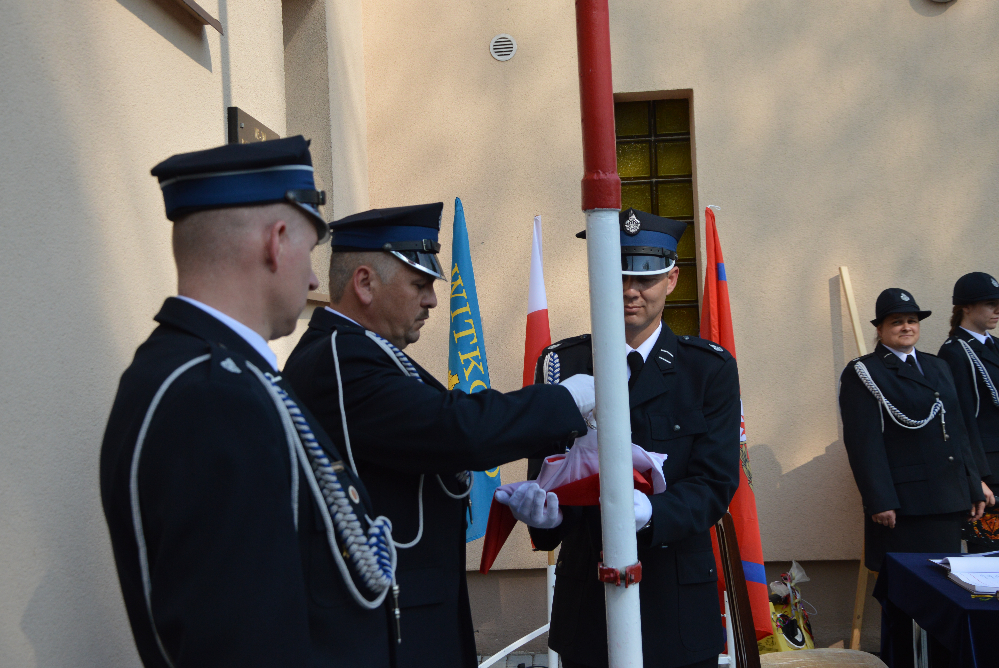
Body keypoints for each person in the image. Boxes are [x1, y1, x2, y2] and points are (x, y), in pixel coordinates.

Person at [100, 136, 399, 668]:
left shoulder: (218, 378)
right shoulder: (213, 397)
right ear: (276, 241)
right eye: (309, 254)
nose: (312, 278)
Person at [281, 203, 595, 668]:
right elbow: (454, 427)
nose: (431, 300)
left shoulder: (369, 353)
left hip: (409, 611)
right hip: (382, 622)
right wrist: (562, 401)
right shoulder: (338, 361)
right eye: (419, 283)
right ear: (364, 283)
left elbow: (419, 449)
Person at [514, 208, 741, 668]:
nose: (630, 291)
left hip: (673, 599)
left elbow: (715, 483)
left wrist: (653, 512)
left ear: (672, 279)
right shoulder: (564, 363)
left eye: (647, 278)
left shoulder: (707, 370)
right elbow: (549, 475)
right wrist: (541, 515)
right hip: (589, 601)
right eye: (617, 276)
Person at [839, 287, 985, 575]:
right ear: (880, 329)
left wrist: (974, 483)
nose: (907, 327)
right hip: (905, 506)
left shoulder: (938, 365)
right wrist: (880, 500)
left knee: (944, 591)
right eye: (896, 322)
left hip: (947, 499)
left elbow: (958, 431)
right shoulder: (865, 372)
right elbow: (863, 443)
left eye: (912, 320)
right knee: (906, 592)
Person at [938, 272, 999, 552]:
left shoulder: (995, 347)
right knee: (989, 560)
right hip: (990, 472)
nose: (997, 309)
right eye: (989, 303)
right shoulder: (955, 351)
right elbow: (960, 420)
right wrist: (977, 479)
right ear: (965, 307)